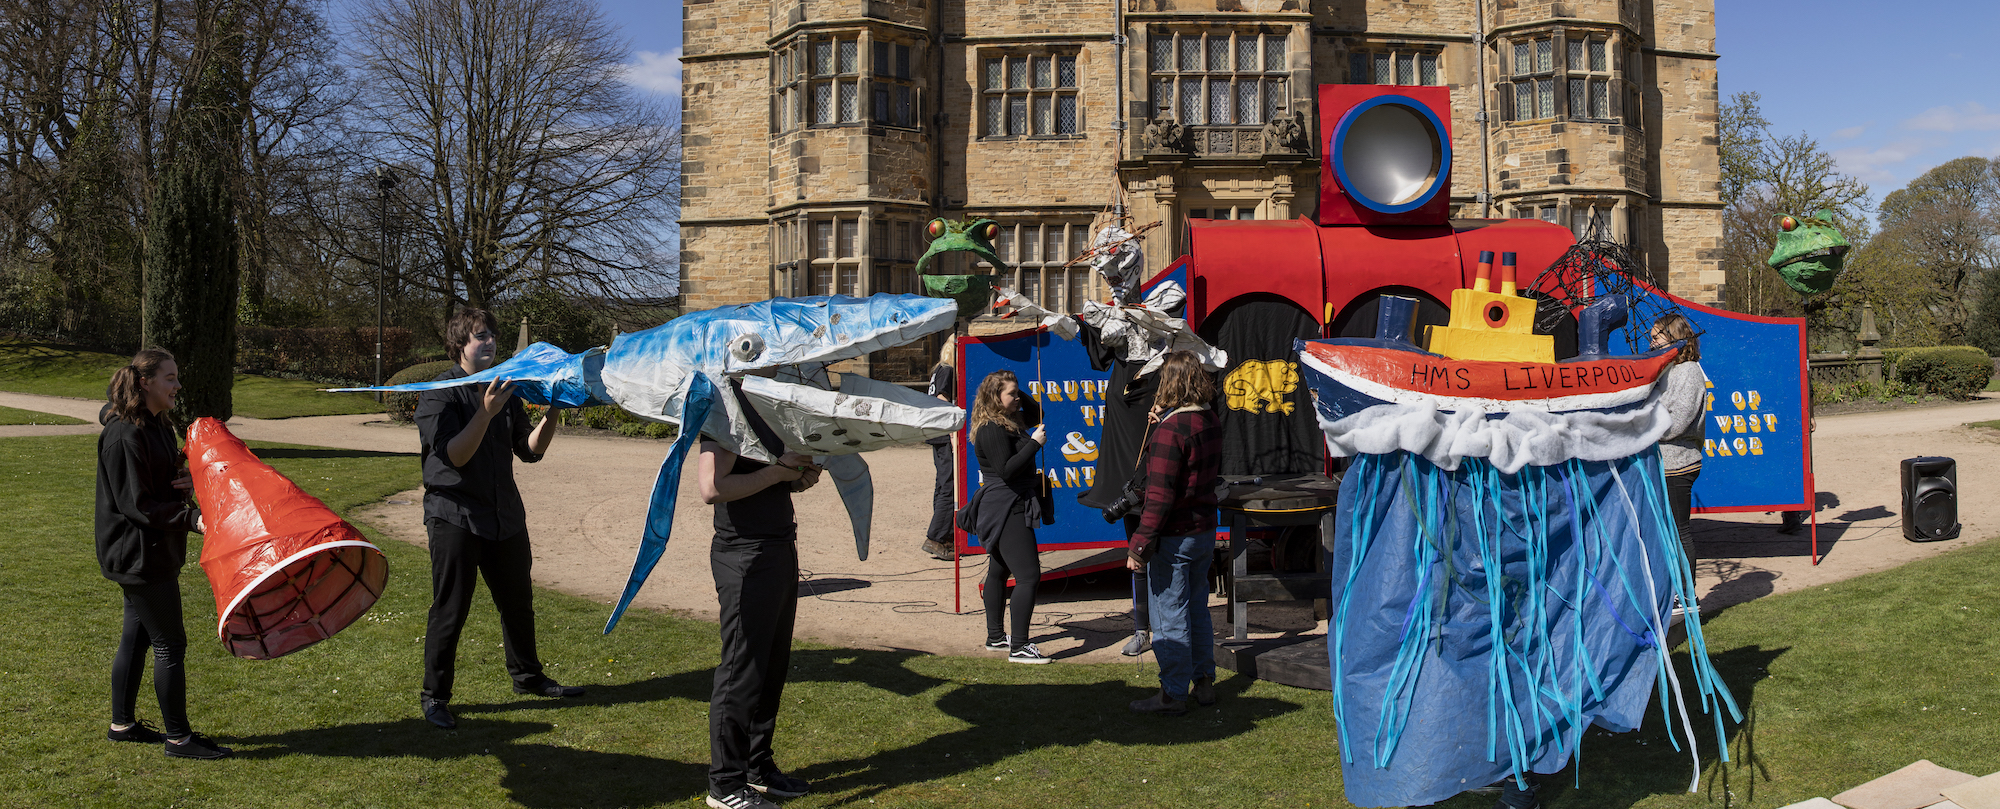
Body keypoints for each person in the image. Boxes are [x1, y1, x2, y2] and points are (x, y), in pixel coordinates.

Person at [416, 308, 571, 731]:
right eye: (479, 336)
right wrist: (484, 413)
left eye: (491, 336)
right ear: (459, 345)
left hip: (503, 515)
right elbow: (455, 456)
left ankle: (528, 678)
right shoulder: (438, 393)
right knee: (451, 608)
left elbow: (529, 449)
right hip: (455, 515)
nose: (488, 342)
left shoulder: (507, 389)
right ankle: (435, 697)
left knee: (518, 602)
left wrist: (553, 411)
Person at [95, 348, 230, 760]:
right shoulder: (123, 435)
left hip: (151, 553)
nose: (177, 385)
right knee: (170, 643)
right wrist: (193, 520)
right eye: (169, 378)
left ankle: (123, 725)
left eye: (176, 376)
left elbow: (159, 479)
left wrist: (185, 477)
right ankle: (179, 738)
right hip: (137, 555)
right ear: (145, 383)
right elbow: (136, 503)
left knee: (136, 640)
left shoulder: (156, 425)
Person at [696, 406, 821, 809]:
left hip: (778, 547)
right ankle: (725, 785)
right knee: (742, 669)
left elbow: (770, 481)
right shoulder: (723, 411)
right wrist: (778, 471)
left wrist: (798, 480)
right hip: (745, 555)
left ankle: (755, 765)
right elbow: (712, 487)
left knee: (770, 667)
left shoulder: (770, 406)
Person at [1125, 351, 1223, 715]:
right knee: (1196, 609)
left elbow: (1160, 496)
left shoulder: (1172, 429)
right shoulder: (1208, 418)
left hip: (1175, 534)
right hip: (1202, 530)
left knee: (1169, 615)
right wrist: (1162, 422)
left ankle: (1172, 694)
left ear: (1171, 383)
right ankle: (1204, 683)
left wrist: (1139, 546)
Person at [964, 369, 1052, 664]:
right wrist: (1034, 444)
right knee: (1028, 576)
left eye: (1017, 393)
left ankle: (996, 637)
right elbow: (1008, 469)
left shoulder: (1009, 421)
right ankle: (1020, 646)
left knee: (999, 570)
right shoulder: (991, 429)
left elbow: (1037, 410)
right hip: (1006, 505)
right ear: (994, 399)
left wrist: (1017, 389)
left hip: (1009, 503)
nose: (1017, 398)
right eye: (1011, 394)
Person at [1652, 313, 1707, 613]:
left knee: (1678, 530)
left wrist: (1642, 428)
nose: (1653, 341)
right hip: (1663, 462)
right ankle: (1674, 593)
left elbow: (1679, 422)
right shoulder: (1668, 370)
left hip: (1679, 463)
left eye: (1658, 335)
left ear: (1675, 337)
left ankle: (1687, 598)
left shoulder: (1688, 373)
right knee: (1666, 531)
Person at [921, 336, 958, 561]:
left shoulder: (938, 369)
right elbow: (942, 398)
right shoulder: (947, 370)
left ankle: (945, 535)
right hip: (944, 432)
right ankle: (936, 537)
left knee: (943, 483)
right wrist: (954, 430)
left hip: (937, 432)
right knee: (950, 485)